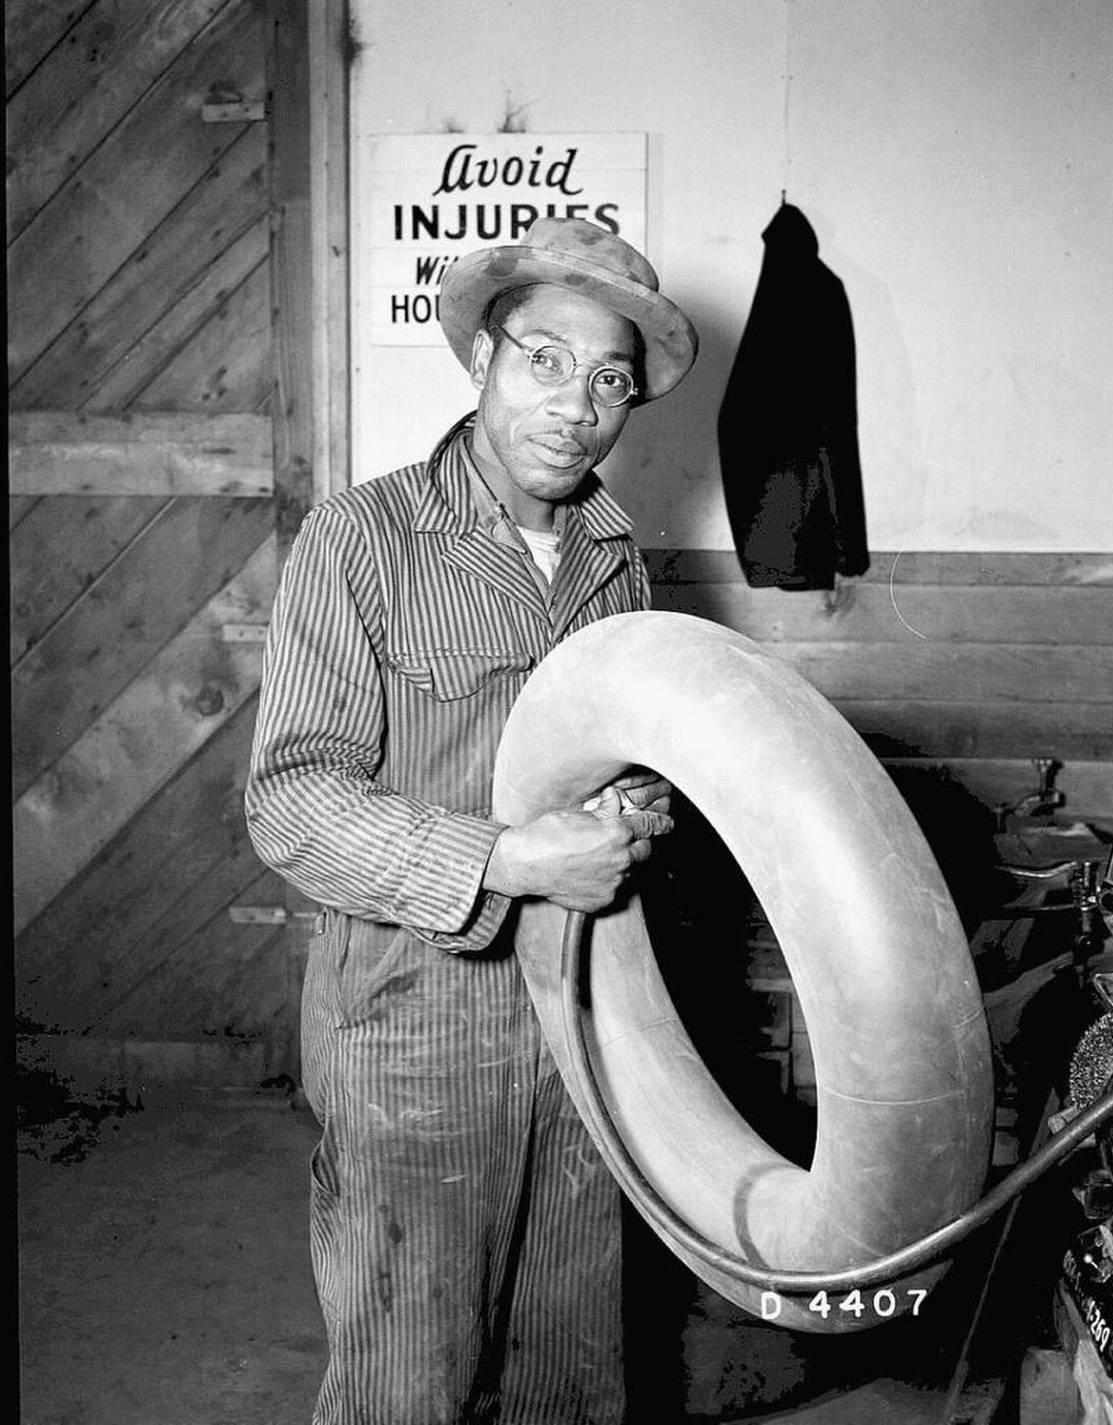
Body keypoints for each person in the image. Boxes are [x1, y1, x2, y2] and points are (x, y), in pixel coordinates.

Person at [245, 216, 699, 1425]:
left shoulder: (617, 558)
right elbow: (290, 800)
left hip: (584, 1019)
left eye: (611, 379)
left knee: (570, 1358)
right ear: (481, 360)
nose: (578, 405)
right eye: (545, 361)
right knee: (411, 1368)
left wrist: (633, 810)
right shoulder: (362, 537)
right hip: (412, 1025)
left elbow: (611, 755)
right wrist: (508, 856)